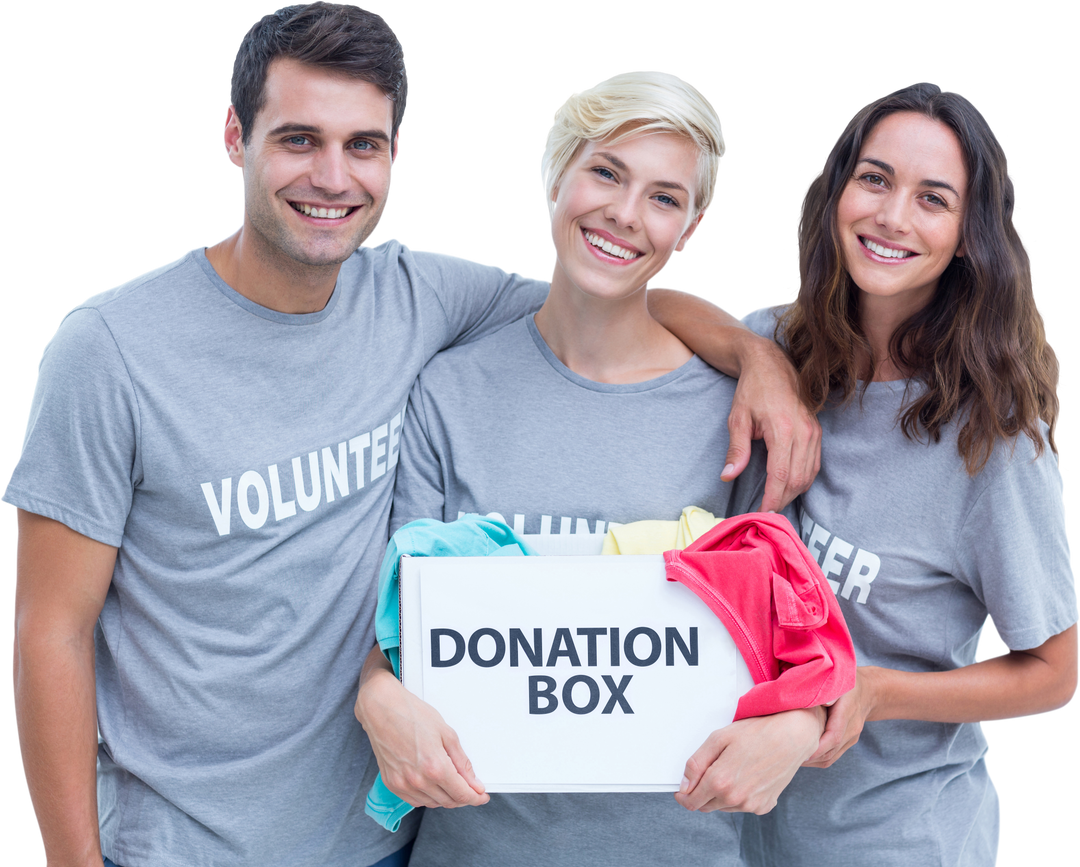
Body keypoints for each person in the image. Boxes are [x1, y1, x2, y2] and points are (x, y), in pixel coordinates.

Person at [4, 4, 821, 867]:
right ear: (234, 137)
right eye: (297, 139)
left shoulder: (418, 295)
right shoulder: (110, 349)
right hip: (186, 844)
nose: (331, 176)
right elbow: (50, 630)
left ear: (395, 152)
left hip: (382, 837)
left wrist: (752, 355)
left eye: (361, 144)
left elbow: (608, 286)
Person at [354, 68, 834, 867]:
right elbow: (403, 624)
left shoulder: (736, 417)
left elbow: (794, 641)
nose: (624, 213)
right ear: (557, 176)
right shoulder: (449, 391)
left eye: (663, 197)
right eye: (606, 172)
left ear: (691, 228)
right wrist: (376, 697)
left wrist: (800, 723)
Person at [730, 80, 1077, 866]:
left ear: (968, 235)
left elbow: (1056, 671)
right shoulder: (777, 341)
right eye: (876, 179)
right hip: (752, 832)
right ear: (839, 191)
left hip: (899, 836)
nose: (891, 217)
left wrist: (879, 690)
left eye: (933, 199)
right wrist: (755, 360)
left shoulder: (993, 440)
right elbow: (666, 312)